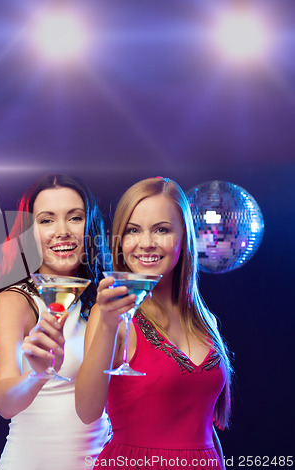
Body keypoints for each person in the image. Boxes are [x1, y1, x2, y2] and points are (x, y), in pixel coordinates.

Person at [76, 177, 232, 470]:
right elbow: (87, 411)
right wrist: (108, 326)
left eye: (161, 229)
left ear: (184, 237)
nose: (146, 243)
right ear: (121, 240)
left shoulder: (203, 319)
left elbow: (206, 428)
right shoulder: (112, 315)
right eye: (133, 230)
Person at [0, 174, 112, 469]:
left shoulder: (103, 301)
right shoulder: (15, 301)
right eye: (47, 220)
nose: (62, 231)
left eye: (75, 218)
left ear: (89, 228)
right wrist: (38, 375)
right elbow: (5, 402)